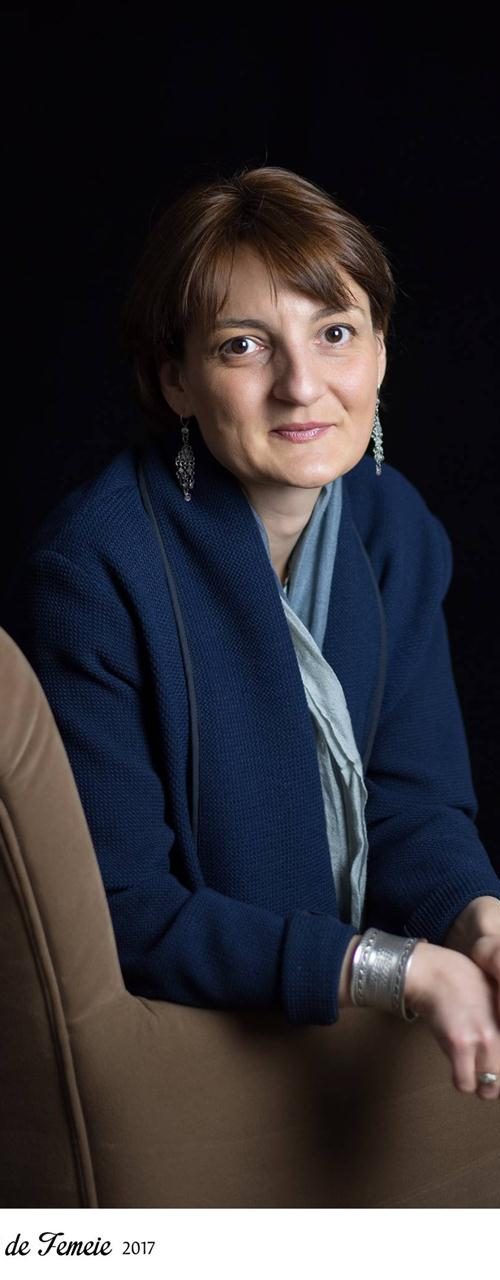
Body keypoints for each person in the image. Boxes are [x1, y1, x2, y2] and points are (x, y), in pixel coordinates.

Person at [4, 165, 500, 1104]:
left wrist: (477, 920)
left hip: (353, 1037)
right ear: (176, 380)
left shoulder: (394, 525)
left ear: (381, 354)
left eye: (335, 333)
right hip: (188, 1055)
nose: (301, 386)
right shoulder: (92, 569)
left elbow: (412, 806)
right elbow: (123, 911)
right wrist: (390, 967)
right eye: (244, 346)